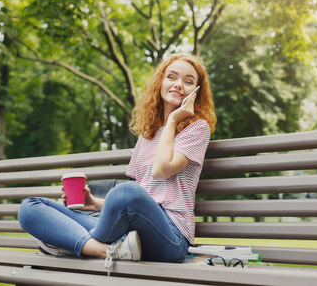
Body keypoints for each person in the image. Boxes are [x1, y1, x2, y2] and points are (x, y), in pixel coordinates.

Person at [18, 53, 217, 274]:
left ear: (197, 93)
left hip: (170, 236)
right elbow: (141, 196)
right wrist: (93, 203)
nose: (179, 84)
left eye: (188, 81)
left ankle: (68, 242)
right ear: (160, 82)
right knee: (31, 207)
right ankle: (104, 250)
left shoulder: (198, 128)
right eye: (171, 77)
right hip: (129, 239)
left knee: (125, 192)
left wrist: (172, 120)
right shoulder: (148, 134)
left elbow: (160, 172)